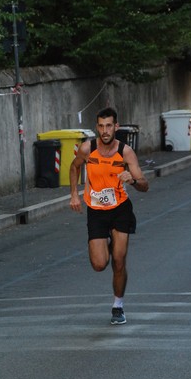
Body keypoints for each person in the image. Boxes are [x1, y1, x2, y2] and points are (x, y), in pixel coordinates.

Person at [70, 107, 149, 325]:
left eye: (109, 126)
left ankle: (118, 306)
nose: (105, 131)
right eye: (101, 126)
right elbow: (74, 167)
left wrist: (132, 180)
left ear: (116, 127)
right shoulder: (88, 149)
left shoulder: (125, 152)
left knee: (119, 260)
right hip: (96, 211)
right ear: (97, 127)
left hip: (120, 210)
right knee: (99, 264)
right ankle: (106, 240)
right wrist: (74, 195)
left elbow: (145, 185)